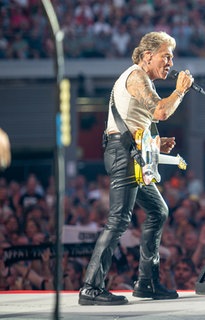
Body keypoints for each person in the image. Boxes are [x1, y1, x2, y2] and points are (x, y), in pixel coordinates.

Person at [78, 31, 194, 306]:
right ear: (147, 56)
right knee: (119, 219)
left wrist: (155, 143)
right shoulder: (136, 77)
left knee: (158, 210)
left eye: (172, 57)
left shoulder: (143, 80)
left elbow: (135, 124)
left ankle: (147, 282)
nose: (170, 62)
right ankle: (91, 287)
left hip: (131, 152)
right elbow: (161, 112)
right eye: (166, 56)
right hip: (123, 154)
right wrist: (180, 90)